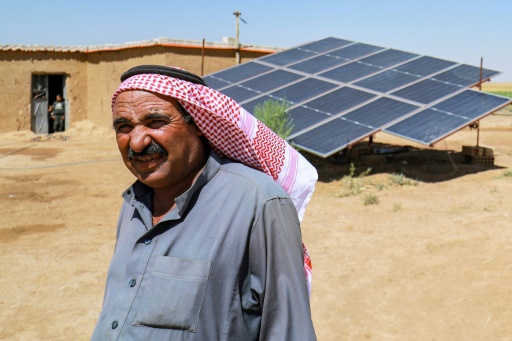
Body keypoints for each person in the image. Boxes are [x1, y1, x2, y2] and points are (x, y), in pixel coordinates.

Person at [91, 65, 318, 340]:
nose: (137, 143)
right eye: (124, 127)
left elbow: (287, 331)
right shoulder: (133, 203)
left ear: (199, 124)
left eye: (155, 122)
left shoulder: (258, 203)